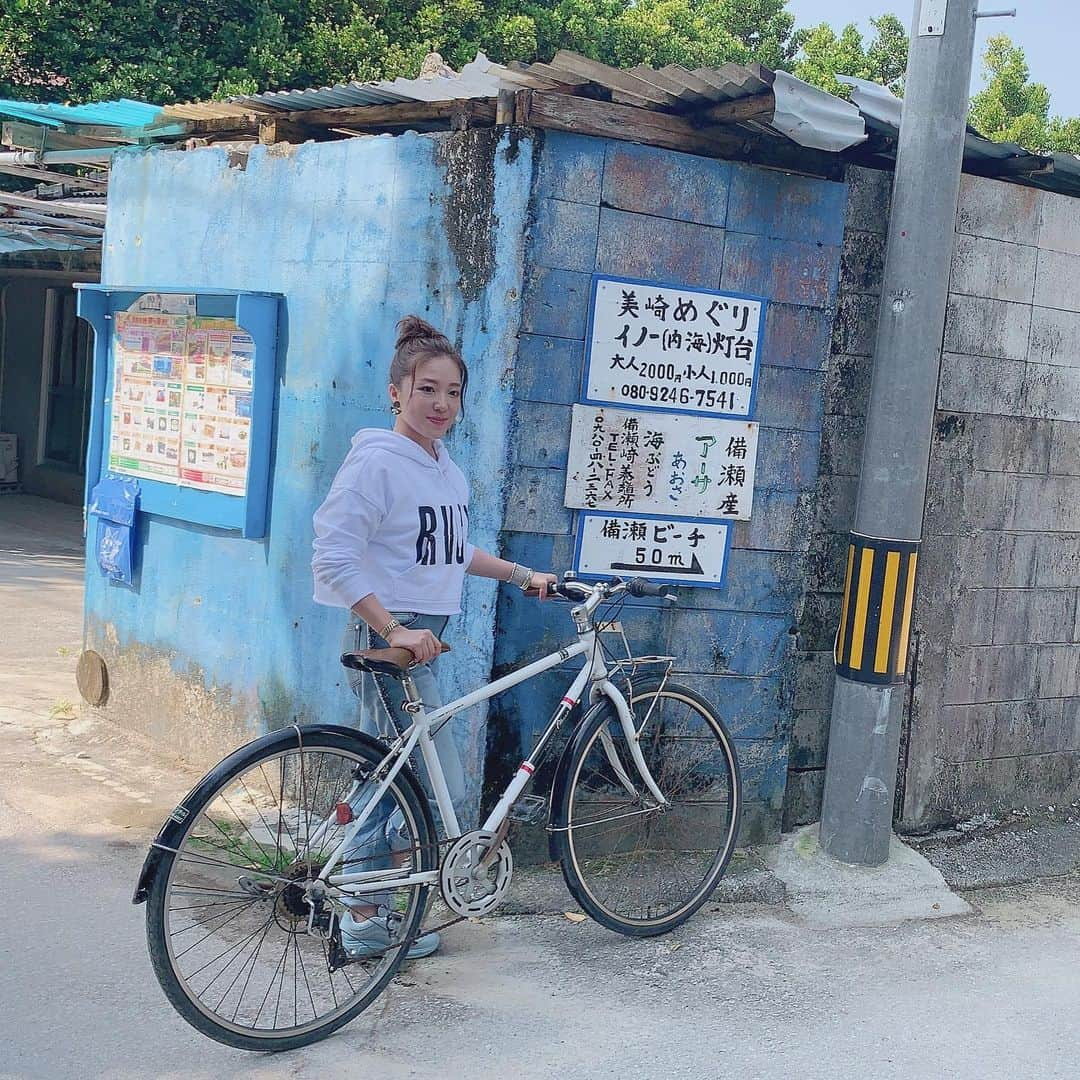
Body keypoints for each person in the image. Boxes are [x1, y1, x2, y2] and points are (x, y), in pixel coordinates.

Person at [311, 315, 557, 959]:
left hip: (426, 634)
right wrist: (392, 626)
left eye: (453, 392)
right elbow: (334, 556)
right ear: (396, 391)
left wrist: (520, 574)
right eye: (427, 390)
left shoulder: (444, 468)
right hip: (388, 636)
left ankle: (370, 900)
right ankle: (363, 917)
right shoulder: (377, 462)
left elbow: (447, 550)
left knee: (402, 776)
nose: (442, 404)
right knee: (399, 779)